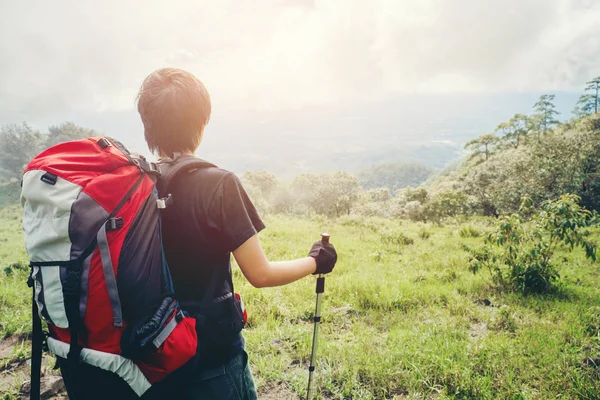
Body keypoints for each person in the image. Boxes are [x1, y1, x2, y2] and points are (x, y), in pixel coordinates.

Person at [136, 67, 338, 399]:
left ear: (148, 126)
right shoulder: (218, 184)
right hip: (210, 356)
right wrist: (315, 261)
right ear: (201, 122)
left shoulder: (139, 184)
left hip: (153, 351)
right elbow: (260, 273)